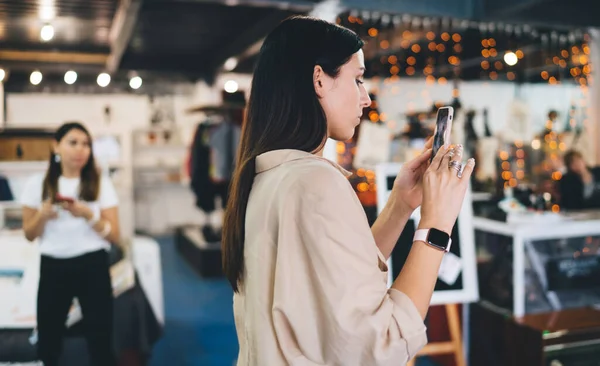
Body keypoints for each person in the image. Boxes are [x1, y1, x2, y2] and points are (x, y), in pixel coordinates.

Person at [222, 16, 475, 366]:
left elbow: (341, 276)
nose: (366, 98)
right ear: (319, 80)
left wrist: (400, 205)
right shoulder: (314, 182)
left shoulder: (268, 176)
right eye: (357, 79)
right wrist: (437, 223)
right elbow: (383, 343)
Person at [20, 122, 119, 366]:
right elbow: (29, 234)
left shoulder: (100, 183)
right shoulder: (37, 184)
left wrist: (88, 215)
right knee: (49, 339)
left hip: (93, 264)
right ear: (56, 146)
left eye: (86, 144)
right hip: (54, 266)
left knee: (100, 338)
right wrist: (42, 215)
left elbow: (114, 235)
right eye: (73, 142)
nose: (80, 149)